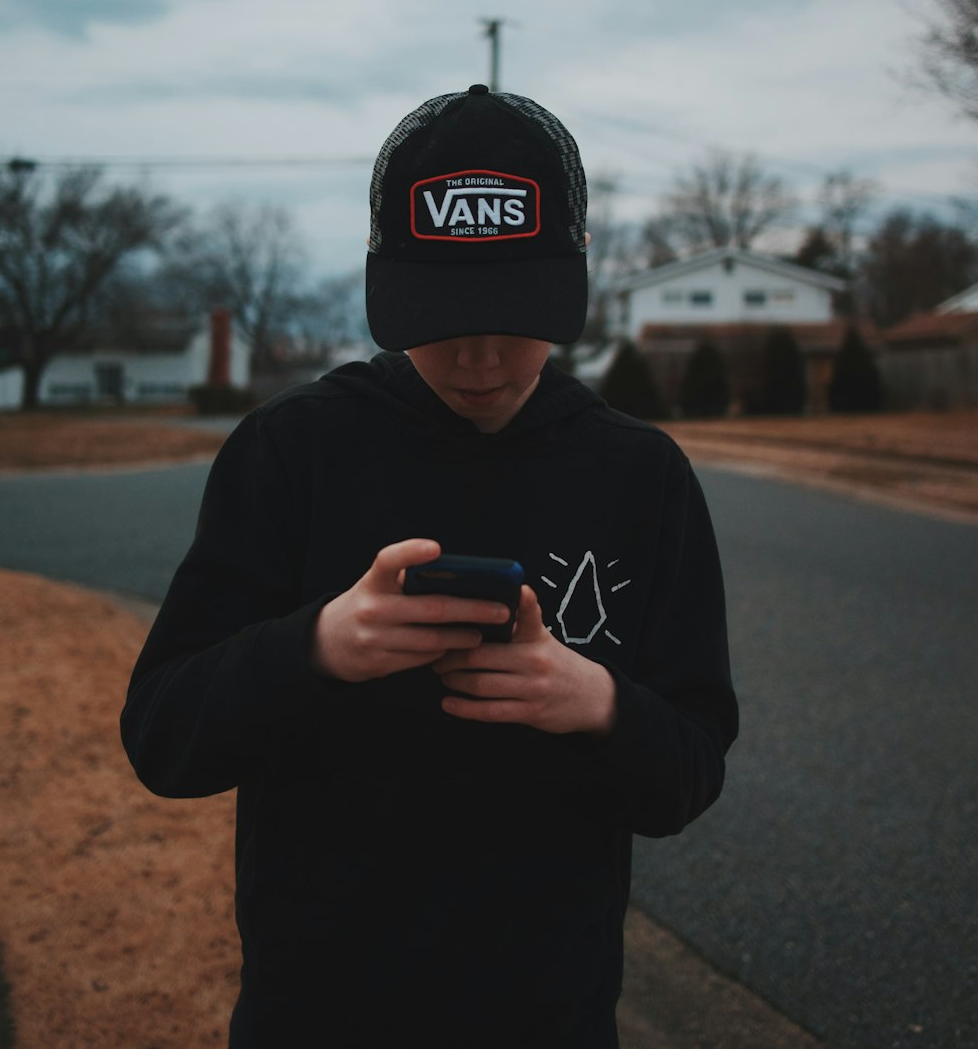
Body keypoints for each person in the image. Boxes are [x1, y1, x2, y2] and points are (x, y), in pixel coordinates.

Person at [121, 84, 738, 1048]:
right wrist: (316, 646)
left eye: (517, 316)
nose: (482, 358)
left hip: (553, 1018)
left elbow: (692, 770)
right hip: (315, 1016)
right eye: (444, 316)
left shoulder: (639, 475)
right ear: (388, 283)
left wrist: (598, 703)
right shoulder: (293, 451)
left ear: (570, 280)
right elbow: (161, 738)